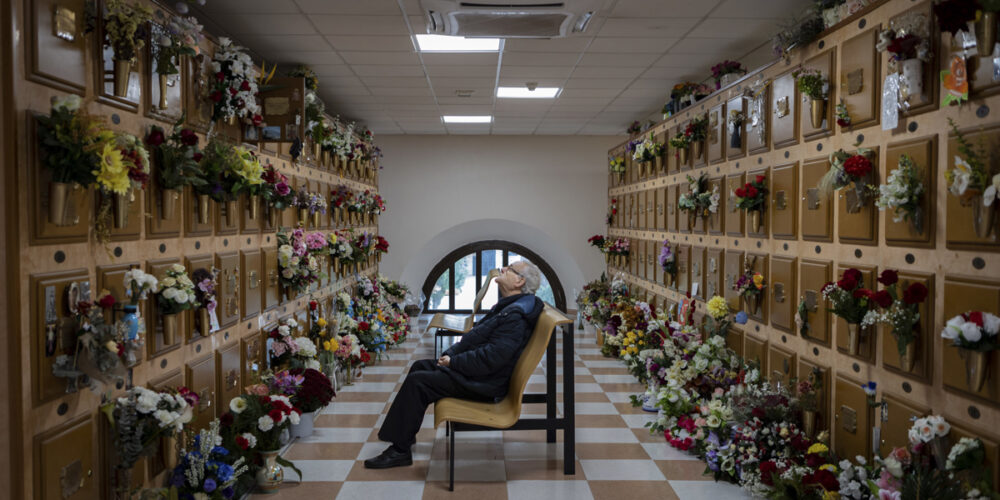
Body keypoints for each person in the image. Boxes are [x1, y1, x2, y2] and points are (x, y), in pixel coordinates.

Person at [363, 260, 545, 469]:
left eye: (509, 268)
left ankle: (399, 451)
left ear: (519, 281)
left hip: (486, 384)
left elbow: (493, 358)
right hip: (480, 375)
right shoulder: (510, 306)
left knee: (419, 382)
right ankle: (404, 436)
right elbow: (477, 337)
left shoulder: (515, 316)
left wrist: (455, 362)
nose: (502, 269)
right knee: (420, 367)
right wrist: (450, 354)